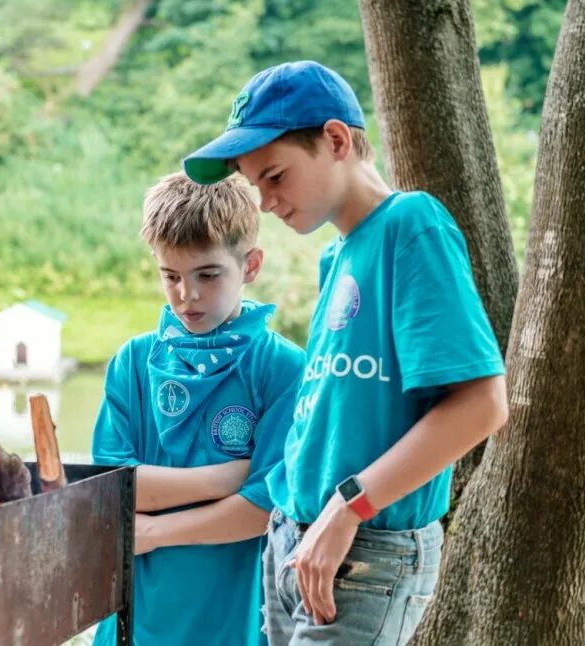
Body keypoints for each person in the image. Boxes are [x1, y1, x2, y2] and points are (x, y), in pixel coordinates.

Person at [183, 60, 509, 645]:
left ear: (335, 140)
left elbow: (482, 405)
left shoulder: (411, 226)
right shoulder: (337, 257)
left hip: (364, 550)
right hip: (295, 542)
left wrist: (347, 510)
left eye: (275, 176)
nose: (265, 202)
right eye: (255, 185)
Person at [91, 171, 306, 645]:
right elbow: (109, 491)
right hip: (134, 623)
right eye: (171, 276)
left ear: (250, 265)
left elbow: (265, 508)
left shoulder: (282, 368)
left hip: (230, 622)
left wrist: (152, 532)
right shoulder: (132, 362)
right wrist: (229, 477)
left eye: (207, 275)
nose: (187, 296)